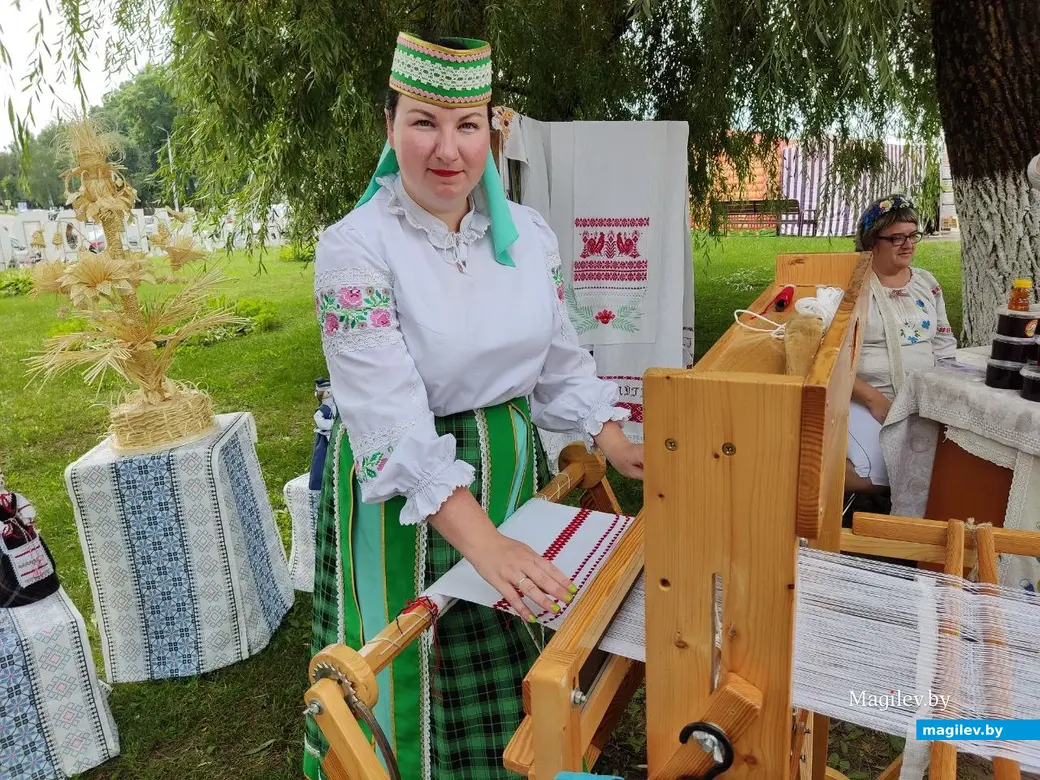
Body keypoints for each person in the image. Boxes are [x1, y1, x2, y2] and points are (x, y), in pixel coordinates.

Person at [303, 32, 644, 780]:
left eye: (468, 124)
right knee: (408, 658)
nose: (447, 149)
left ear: (493, 131)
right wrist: (484, 544)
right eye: (423, 122)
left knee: (504, 644)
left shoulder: (528, 236)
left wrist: (614, 438)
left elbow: (557, 357)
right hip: (404, 492)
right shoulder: (355, 248)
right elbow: (388, 419)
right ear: (389, 126)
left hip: (508, 476)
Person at [845, 194, 957, 498]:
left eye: (912, 235)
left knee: (956, 460)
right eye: (897, 238)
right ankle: (807, 484)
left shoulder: (927, 283)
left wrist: (946, 392)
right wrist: (872, 399)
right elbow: (827, 359)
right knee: (881, 471)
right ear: (872, 242)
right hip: (865, 399)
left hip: (923, 399)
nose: (908, 245)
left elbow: (943, 344)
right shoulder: (850, 287)